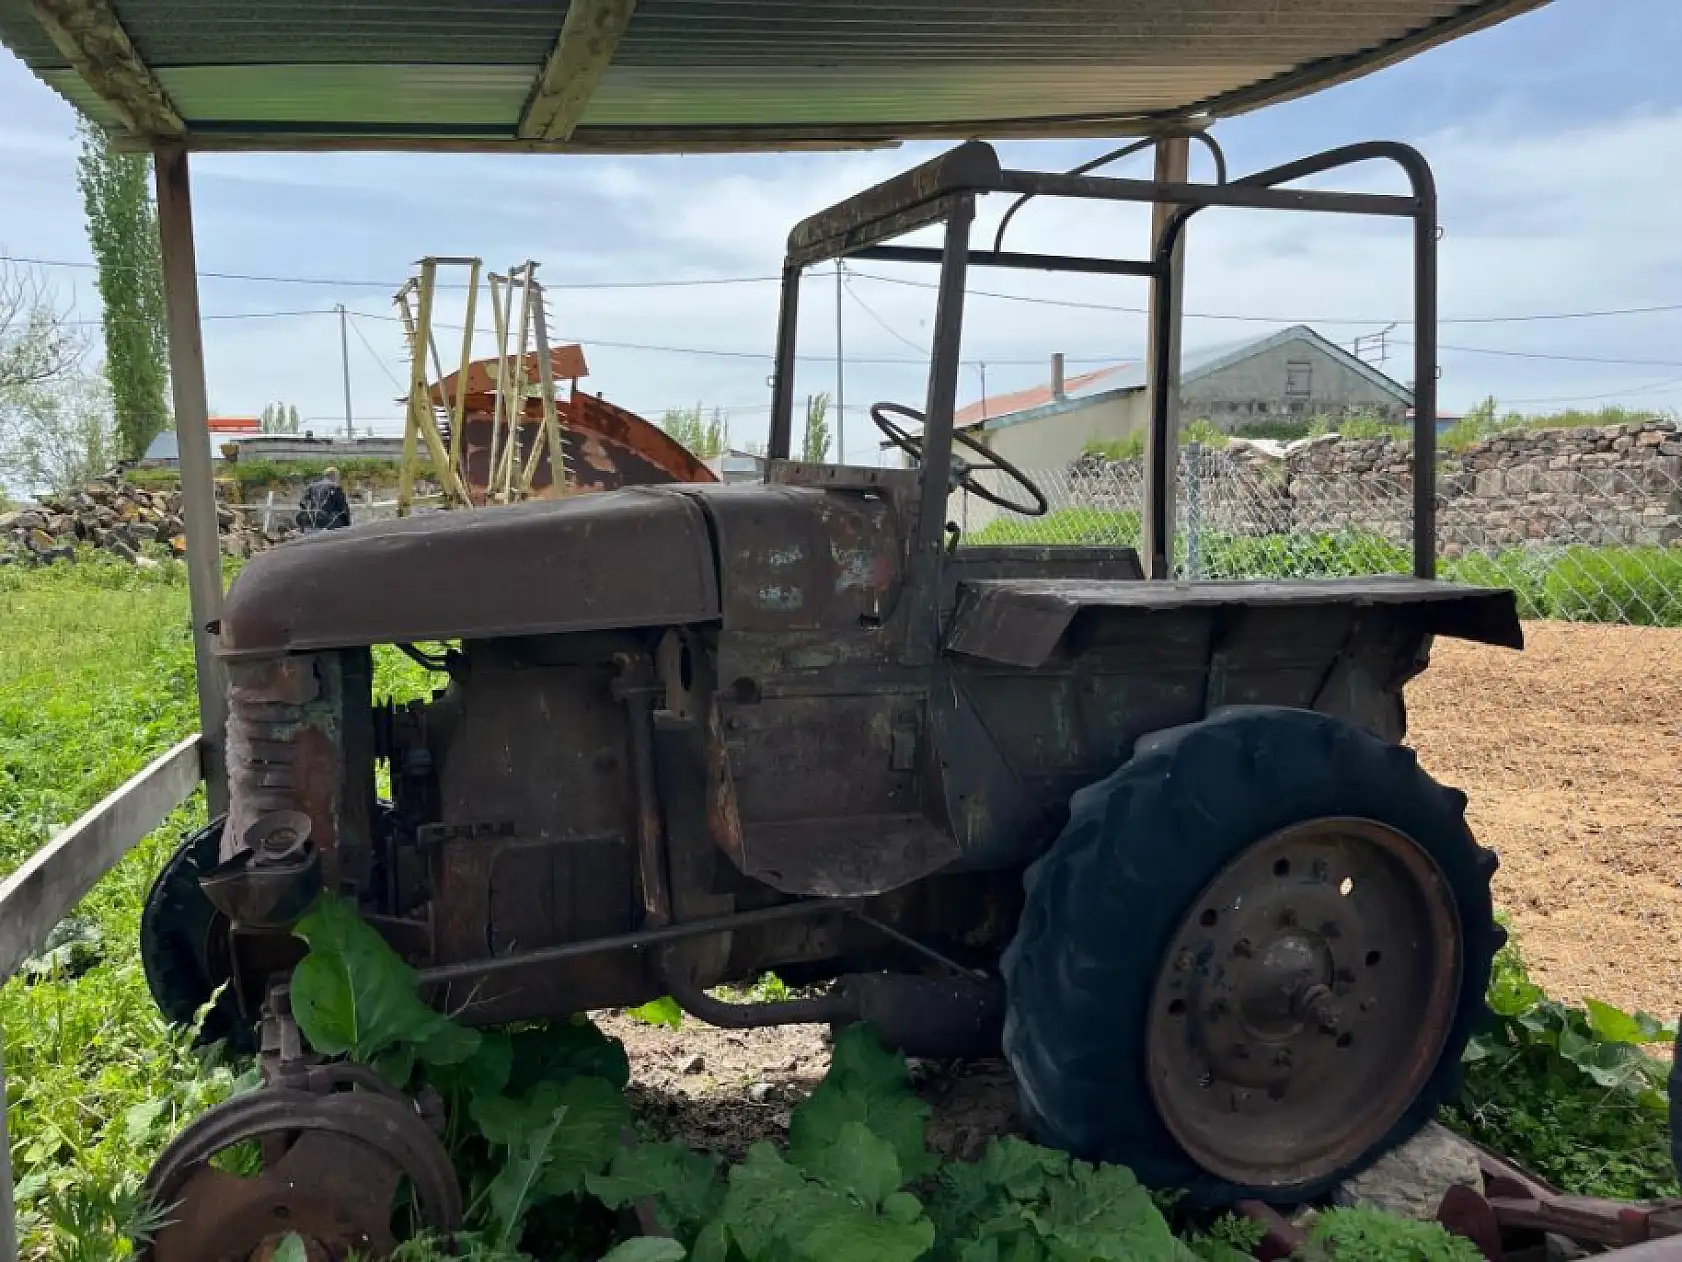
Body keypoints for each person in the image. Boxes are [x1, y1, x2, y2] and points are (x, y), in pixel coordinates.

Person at [296, 467, 352, 533]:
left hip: (313, 520)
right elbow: (343, 508)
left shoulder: (311, 486)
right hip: (328, 521)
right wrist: (348, 524)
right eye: (338, 477)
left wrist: (311, 513)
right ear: (334, 476)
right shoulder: (336, 487)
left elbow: (302, 503)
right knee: (340, 517)